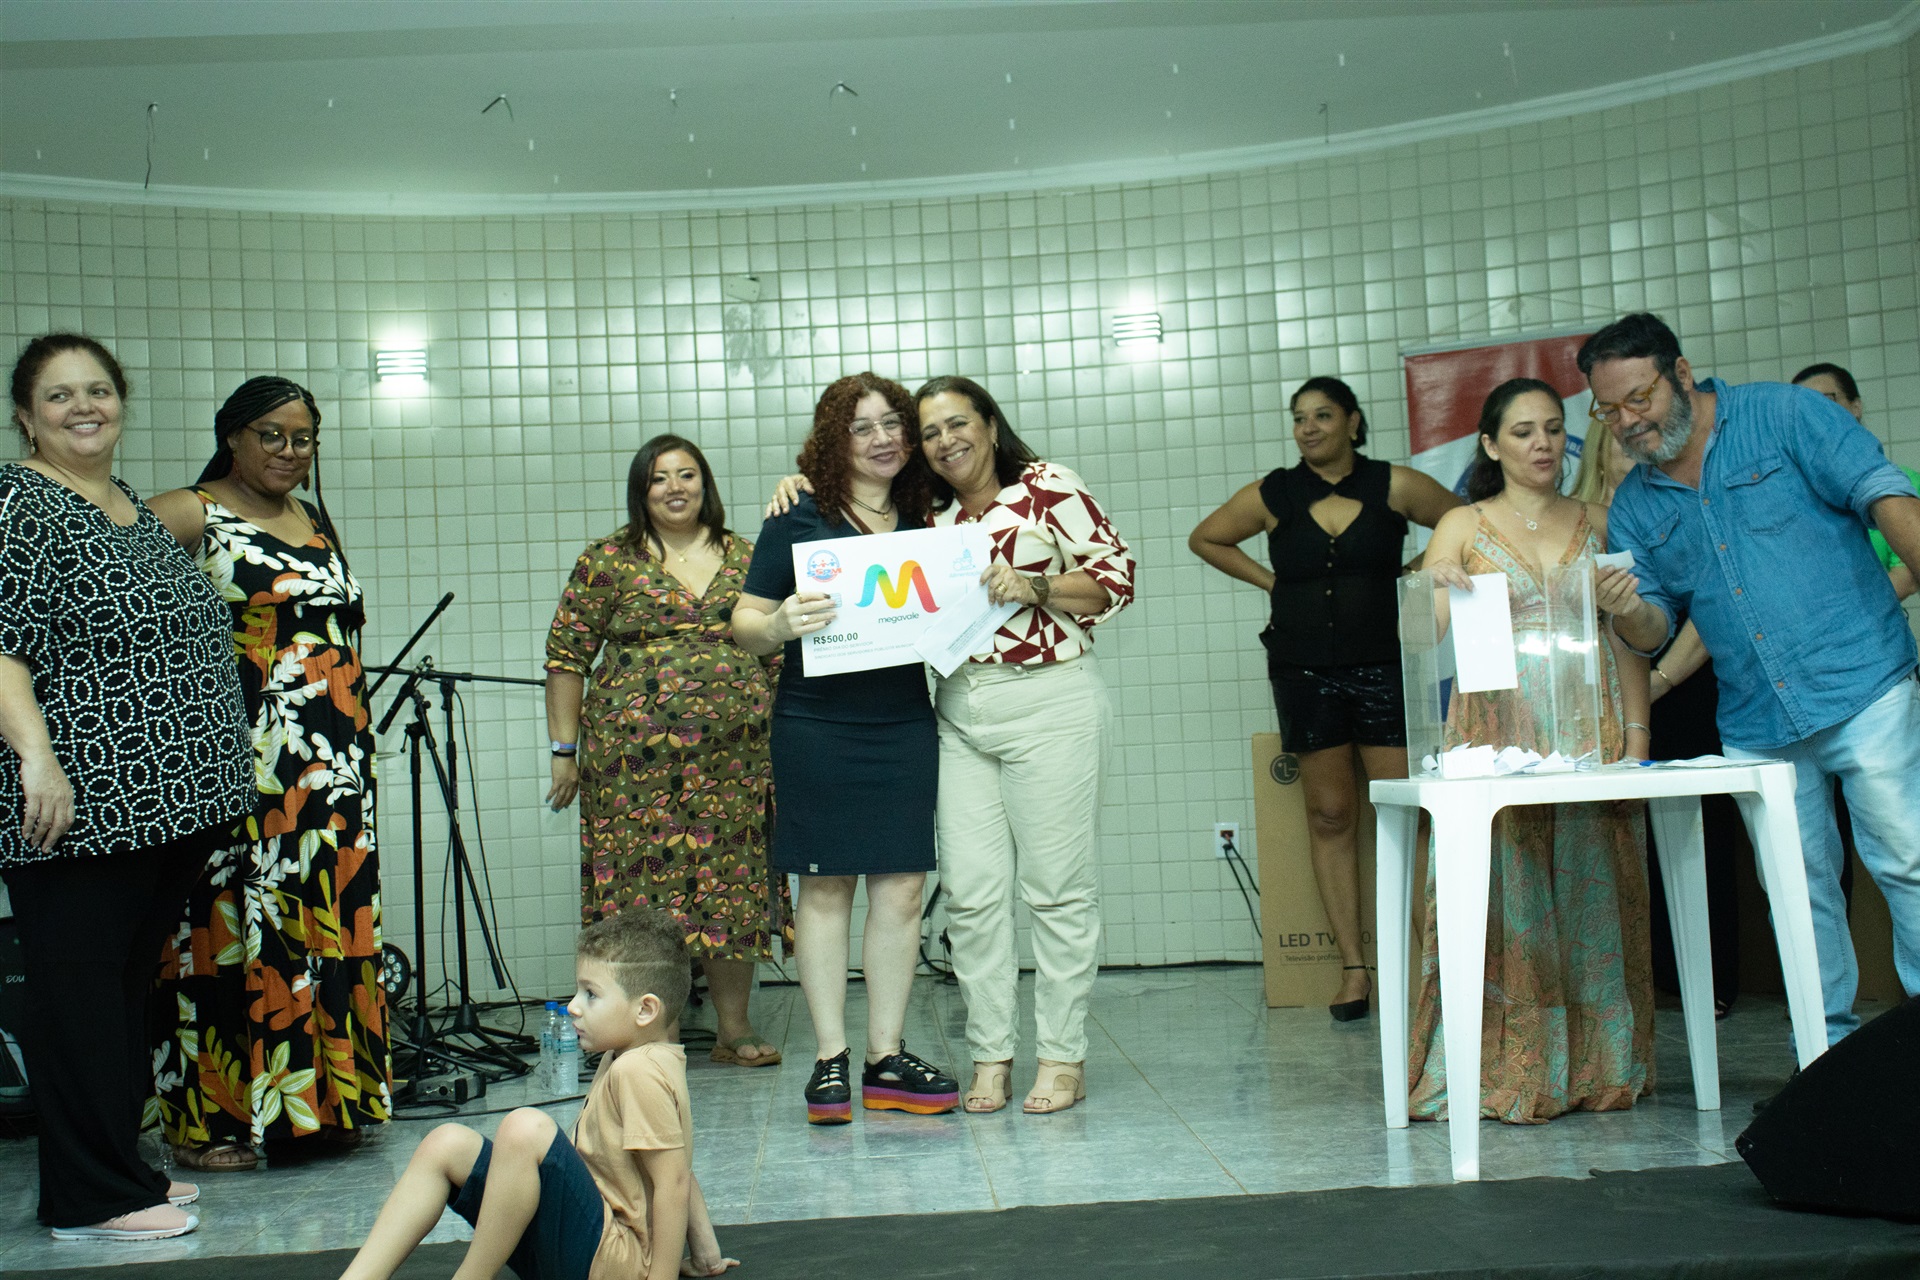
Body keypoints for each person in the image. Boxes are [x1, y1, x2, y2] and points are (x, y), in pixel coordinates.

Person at [1587, 313, 1920, 1047]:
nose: (1628, 422)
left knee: (1908, 862)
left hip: (1863, 683)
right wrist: (1628, 609)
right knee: (1797, 896)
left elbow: (1885, 495)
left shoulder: (1785, 415)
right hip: (1756, 723)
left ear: (1681, 374)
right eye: (1608, 411)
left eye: (1639, 398)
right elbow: (1653, 629)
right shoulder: (1635, 505)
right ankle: (1822, 1059)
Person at [0, 334, 252, 1239]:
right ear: (26, 416)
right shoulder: (18, 502)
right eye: (59, 395)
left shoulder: (126, 503)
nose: (84, 407)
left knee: (117, 993)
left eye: (98, 390)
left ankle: (122, 1168)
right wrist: (37, 758)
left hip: (165, 806)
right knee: (77, 998)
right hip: (82, 806)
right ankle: (88, 1198)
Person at [144, 377, 390, 1172]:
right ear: (233, 437)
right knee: (228, 930)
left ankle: (322, 1109)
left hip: (333, 767)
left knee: (327, 924)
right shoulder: (191, 511)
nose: (289, 450)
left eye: (302, 438)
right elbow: (112, 596)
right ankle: (212, 1123)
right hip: (241, 762)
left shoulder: (314, 518)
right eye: (271, 435)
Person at [1412, 378, 1655, 1124]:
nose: (1542, 443)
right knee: (1502, 898)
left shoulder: (1599, 519)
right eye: (1522, 432)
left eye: (1552, 427)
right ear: (1490, 444)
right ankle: (1504, 1066)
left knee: (1594, 895)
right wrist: (1430, 585)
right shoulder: (1462, 522)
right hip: (1497, 729)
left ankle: (1598, 1064)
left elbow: (1641, 638)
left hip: (1590, 726)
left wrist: (1637, 736)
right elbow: (1419, 636)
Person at [1188, 376, 1458, 1021]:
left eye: (1323, 416)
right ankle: (1354, 970)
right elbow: (1206, 537)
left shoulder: (1393, 484)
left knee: (1406, 814)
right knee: (1331, 815)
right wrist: (1273, 583)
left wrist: (1414, 572)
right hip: (1303, 671)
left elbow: (1464, 521)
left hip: (1385, 666)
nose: (1308, 428)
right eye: (1299, 418)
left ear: (1353, 422)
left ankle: (1437, 968)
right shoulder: (1274, 492)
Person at [733, 372, 959, 1124]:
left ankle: (885, 1057)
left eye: (893, 422)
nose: (883, 438)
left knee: (902, 889)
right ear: (835, 440)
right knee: (825, 888)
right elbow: (744, 623)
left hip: (903, 723)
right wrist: (778, 626)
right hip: (816, 724)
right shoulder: (798, 513)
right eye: (862, 427)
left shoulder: (929, 513)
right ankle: (829, 1059)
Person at [916, 375, 1136, 1115]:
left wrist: (1035, 586)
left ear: (989, 423)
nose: (946, 441)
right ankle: (991, 1054)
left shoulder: (1045, 486)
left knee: (1057, 889)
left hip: (1050, 700)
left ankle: (1063, 1056)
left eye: (958, 423)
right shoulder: (927, 513)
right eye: (930, 432)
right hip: (959, 708)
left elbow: (1116, 579)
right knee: (972, 895)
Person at [545, 434, 788, 1069]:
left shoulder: (748, 555)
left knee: (731, 888)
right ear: (641, 490)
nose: (674, 488)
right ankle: (655, 1034)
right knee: (643, 895)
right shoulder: (607, 560)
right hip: (632, 768)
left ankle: (733, 1028)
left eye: (686, 475)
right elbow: (566, 658)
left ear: (705, 483)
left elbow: (779, 652)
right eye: (659, 478)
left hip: (736, 763)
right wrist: (563, 751)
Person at [338, 908, 738, 1280]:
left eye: (591, 994)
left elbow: (672, 1182)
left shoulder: (639, 1070)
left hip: (614, 1261)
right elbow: (674, 1161)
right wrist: (706, 1252)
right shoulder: (629, 1056)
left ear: (645, 1010)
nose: (573, 1007)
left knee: (525, 1129)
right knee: (446, 1144)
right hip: (584, 1244)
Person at [1571, 422, 1745, 1018]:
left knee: (1698, 835)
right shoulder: (1573, 521)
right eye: (1621, 448)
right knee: (1612, 840)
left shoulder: (1675, 511)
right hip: (1596, 701)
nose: (1634, 454)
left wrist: (1660, 681)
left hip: (1682, 685)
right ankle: (1631, 979)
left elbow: (1709, 604)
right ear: (1599, 457)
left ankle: (1707, 976)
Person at [1790, 363, 1917, 601]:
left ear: (1856, 407)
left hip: (1870, 621)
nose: (1814, 416)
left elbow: (1907, 576)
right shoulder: (1792, 495)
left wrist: (1837, 615)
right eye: (1801, 410)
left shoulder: (1901, 483)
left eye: (1826, 401)